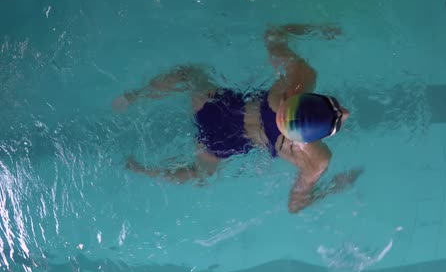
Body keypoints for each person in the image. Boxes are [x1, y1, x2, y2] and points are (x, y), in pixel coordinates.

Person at [112, 24, 362, 213]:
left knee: (188, 75)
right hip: (222, 143)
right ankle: (140, 169)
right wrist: (334, 187)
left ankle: (132, 97)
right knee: (200, 174)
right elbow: (295, 205)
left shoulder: (296, 81)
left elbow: (273, 35)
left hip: (216, 106)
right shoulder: (317, 159)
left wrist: (317, 29)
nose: (346, 112)